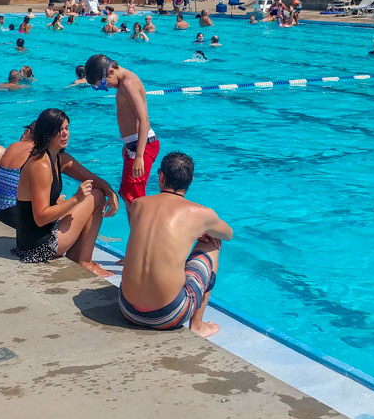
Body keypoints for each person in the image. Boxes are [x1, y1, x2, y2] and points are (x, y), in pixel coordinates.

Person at [118, 152, 232, 337]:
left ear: (161, 176)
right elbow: (228, 234)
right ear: (191, 180)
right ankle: (197, 325)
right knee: (213, 244)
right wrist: (202, 229)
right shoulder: (201, 213)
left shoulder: (138, 204)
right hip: (167, 315)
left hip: (127, 309)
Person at [13, 108, 113, 277]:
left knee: (98, 192)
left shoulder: (57, 157)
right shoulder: (41, 165)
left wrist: (111, 193)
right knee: (95, 196)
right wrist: (75, 199)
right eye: (59, 130)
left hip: (38, 237)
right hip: (37, 247)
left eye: (67, 128)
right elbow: (40, 218)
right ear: (48, 133)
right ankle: (84, 262)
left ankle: (78, 256)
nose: (65, 134)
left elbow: (94, 179)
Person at [84, 54, 156, 209]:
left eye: (103, 84)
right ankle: (136, 232)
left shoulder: (128, 84)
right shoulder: (123, 82)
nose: (106, 88)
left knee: (135, 200)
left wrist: (139, 156)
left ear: (110, 72)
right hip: (134, 144)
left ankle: (141, 233)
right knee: (127, 195)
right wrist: (127, 143)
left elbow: (144, 120)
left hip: (142, 146)